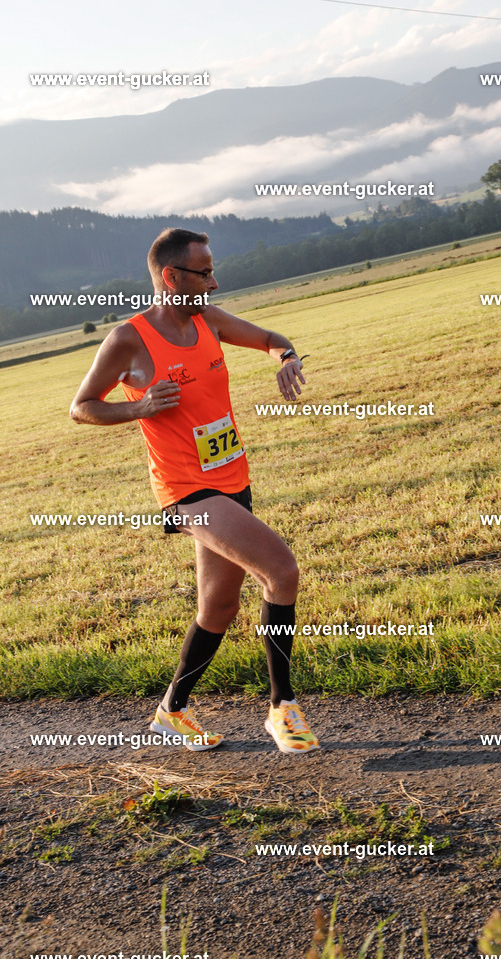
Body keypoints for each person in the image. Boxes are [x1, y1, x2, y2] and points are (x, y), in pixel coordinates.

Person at [70, 228, 319, 754]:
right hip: (186, 491)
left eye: (211, 270)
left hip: (233, 480)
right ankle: (283, 708)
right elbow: (83, 406)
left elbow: (272, 337)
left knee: (218, 606)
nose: (213, 280)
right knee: (281, 571)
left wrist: (287, 358)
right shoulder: (129, 339)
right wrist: (138, 406)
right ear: (171, 276)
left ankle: (171, 711)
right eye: (203, 273)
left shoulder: (208, 319)